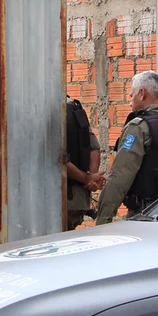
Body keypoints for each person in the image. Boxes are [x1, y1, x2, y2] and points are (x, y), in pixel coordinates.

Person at [95, 71, 158, 225]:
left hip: (145, 218)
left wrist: (103, 220)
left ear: (142, 93)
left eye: (132, 96)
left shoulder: (139, 126)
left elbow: (120, 177)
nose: (130, 102)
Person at [66, 95, 104, 230]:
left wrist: (87, 178)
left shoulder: (39, 109)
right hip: (78, 201)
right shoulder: (74, 107)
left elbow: (57, 159)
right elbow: (94, 147)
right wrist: (91, 177)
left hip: (54, 202)